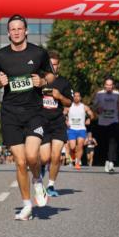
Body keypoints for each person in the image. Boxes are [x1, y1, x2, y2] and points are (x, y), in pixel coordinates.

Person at [0, 14, 53, 221]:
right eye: (12, 29)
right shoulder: (0, 55)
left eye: (20, 28)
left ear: (26, 31)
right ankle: (27, 205)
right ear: (8, 33)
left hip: (34, 112)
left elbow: (51, 75)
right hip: (10, 112)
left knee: (32, 156)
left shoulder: (38, 53)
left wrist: (42, 81)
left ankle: (37, 180)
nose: (16, 32)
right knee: (19, 162)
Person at [39, 52, 73, 197]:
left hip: (58, 122)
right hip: (42, 122)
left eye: (55, 64)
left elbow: (69, 103)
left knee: (56, 156)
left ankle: (51, 185)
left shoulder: (64, 82)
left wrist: (59, 96)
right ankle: (40, 169)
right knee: (45, 157)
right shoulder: (40, 81)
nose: (53, 67)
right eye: (50, 65)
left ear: (58, 66)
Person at [93, 77, 119, 174]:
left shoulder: (117, 94)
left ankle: (111, 163)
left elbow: (118, 105)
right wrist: (98, 110)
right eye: (107, 85)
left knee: (113, 141)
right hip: (103, 122)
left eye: (111, 85)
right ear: (104, 85)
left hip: (114, 120)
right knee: (104, 144)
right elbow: (95, 106)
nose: (109, 87)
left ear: (113, 86)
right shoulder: (100, 94)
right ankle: (106, 161)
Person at [66, 91, 94, 170]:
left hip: (81, 129)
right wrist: (66, 121)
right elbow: (62, 114)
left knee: (80, 146)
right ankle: (74, 156)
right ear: (73, 97)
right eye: (75, 96)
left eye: (78, 96)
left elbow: (92, 115)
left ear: (80, 98)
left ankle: (77, 162)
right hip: (72, 129)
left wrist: (89, 119)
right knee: (72, 147)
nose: (76, 97)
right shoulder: (69, 106)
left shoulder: (84, 107)